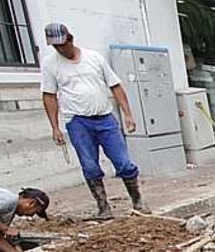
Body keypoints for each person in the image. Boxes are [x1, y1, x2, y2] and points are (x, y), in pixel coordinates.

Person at [40, 22, 149, 220]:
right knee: (90, 166)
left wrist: (128, 114)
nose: (60, 49)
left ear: (70, 39)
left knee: (123, 162)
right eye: (55, 46)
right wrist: (55, 127)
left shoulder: (94, 58)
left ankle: (138, 201)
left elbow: (115, 86)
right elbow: (49, 95)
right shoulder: (50, 64)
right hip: (77, 121)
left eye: (62, 44)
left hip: (105, 118)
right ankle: (103, 207)